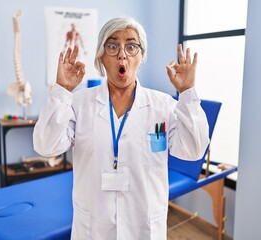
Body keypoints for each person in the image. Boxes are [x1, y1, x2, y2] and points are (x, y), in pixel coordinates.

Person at [33, 16, 209, 240]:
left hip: (144, 227)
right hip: (93, 228)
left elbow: (193, 150)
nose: (122, 54)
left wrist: (187, 93)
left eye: (131, 46)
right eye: (112, 45)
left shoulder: (162, 106)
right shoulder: (79, 104)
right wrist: (61, 91)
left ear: (141, 55)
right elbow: (45, 146)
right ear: (101, 56)